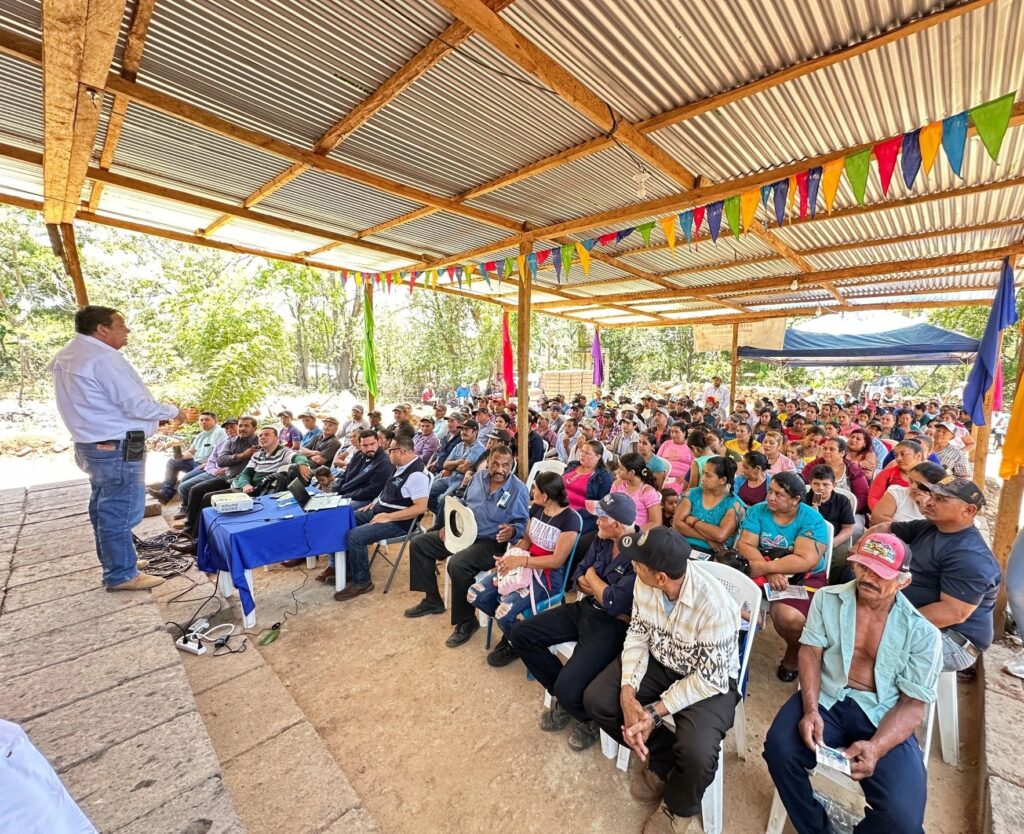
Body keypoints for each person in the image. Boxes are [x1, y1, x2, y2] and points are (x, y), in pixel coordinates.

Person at [763, 533, 941, 834]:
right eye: (863, 567)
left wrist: (877, 747)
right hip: (828, 697)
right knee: (780, 749)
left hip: (883, 714)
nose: (868, 578)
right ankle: (816, 828)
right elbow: (810, 652)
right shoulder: (827, 598)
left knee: (903, 819)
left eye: (880, 573)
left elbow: (912, 705)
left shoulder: (923, 634)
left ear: (903, 581)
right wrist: (811, 710)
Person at [583, 528, 740, 834]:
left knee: (697, 751)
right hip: (662, 658)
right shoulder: (646, 584)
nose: (632, 567)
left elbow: (710, 678)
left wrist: (654, 713)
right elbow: (638, 633)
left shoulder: (716, 606)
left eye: (638, 564)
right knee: (598, 700)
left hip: (708, 679)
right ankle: (663, 757)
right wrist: (628, 693)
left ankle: (679, 807)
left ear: (661, 578)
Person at [49, 305, 185, 591]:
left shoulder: (69, 355)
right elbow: (135, 404)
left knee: (104, 507)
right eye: (121, 325)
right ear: (102, 329)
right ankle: (121, 574)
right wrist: (174, 412)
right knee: (120, 510)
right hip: (116, 447)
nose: (127, 330)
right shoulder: (102, 358)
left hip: (93, 444)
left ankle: (121, 561)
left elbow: (106, 405)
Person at [511, 493, 638, 750]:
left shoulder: (639, 552)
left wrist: (592, 579)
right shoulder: (602, 537)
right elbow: (579, 574)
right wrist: (596, 585)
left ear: (617, 525)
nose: (596, 521)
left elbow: (614, 603)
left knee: (568, 687)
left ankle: (587, 718)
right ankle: (569, 699)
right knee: (521, 634)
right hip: (585, 607)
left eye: (601, 518)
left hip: (613, 625)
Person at [869, 477, 1001, 671]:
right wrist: (861, 548)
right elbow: (884, 528)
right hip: (915, 618)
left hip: (950, 638)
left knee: (864, 648)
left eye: (941, 499)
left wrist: (888, 624)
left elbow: (953, 613)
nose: (929, 502)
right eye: (932, 495)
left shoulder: (970, 555)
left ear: (968, 510)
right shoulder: (931, 527)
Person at [405, 445, 530, 648]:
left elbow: (523, 523)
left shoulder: (518, 489)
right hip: (462, 533)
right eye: (495, 464)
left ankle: (466, 621)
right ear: (488, 462)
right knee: (419, 544)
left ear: (512, 465)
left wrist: (513, 531)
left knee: (457, 564)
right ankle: (432, 600)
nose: (500, 469)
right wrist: (449, 525)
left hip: (491, 542)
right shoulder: (478, 477)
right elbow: (461, 503)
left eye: (506, 465)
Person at [469, 471, 582, 667]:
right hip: (524, 567)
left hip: (547, 577)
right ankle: (516, 632)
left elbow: (556, 561)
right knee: (475, 594)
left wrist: (520, 562)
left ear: (546, 496)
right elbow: (526, 542)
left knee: (504, 611)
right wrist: (508, 558)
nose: (532, 491)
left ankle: (515, 641)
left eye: (535, 489)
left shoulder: (569, 520)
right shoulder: (537, 509)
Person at [736, 471, 830, 682]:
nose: (770, 497)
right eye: (770, 491)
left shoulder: (812, 519)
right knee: (726, 595)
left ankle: (793, 656)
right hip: (761, 567)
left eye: (779, 494)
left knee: (788, 616)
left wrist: (766, 568)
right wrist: (770, 571)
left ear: (796, 500)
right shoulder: (758, 511)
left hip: (804, 576)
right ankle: (730, 649)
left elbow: (806, 560)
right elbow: (746, 544)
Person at [333, 433, 430, 601]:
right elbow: (389, 489)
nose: (387, 452)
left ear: (401, 451)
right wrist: (376, 502)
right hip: (382, 510)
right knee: (343, 521)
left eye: (390, 450)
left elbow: (420, 508)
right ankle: (349, 569)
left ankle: (362, 582)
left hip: (399, 522)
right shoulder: (402, 466)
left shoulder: (416, 475)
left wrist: (389, 517)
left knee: (355, 536)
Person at [673, 456, 743, 557]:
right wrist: (707, 539)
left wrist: (692, 520)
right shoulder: (692, 494)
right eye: (703, 473)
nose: (703, 478)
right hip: (680, 544)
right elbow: (677, 525)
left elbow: (720, 536)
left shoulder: (733, 504)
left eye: (708, 475)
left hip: (712, 554)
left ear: (723, 480)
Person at [149, 411, 225, 503]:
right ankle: (165, 494)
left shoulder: (220, 433)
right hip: (196, 463)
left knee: (185, 480)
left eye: (207, 420)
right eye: (201, 420)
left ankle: (186, 505)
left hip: (207, 465)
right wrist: (179, 456)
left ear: (215, 421)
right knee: (172, 462)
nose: (203, 422)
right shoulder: (201, 435)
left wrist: (208, 463)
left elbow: (221, 453)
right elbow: (191, 452)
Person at [804, 464, 856, 583]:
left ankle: (830, 583)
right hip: (808, 536)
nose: (820, 488)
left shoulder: (842, 501)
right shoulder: (805, 499)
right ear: (810, 483)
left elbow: (848, 528)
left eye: (826, 484)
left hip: (835, 538)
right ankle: (809, 581)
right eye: (816, 484)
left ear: (834, 485)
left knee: (840, 559)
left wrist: (834, 542)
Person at [176, 417, 238, 513]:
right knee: (183, 483)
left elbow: (241, 463)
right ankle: (187, 508)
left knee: (188, 487)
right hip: (213, 471)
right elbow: (211, 460)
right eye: (227, 428)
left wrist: (225, 470)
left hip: (227, 474)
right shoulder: (222, 442)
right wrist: (214, 470)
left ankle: (190, 511)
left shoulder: (242, 443)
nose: (229, 430)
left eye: (232, 427)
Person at [426, 419, 486, 514]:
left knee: (443, 499)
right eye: (462, 430)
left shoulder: (478, 448)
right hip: (451, 476)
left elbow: (463, 469)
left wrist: (452, 465)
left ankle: (442, 519)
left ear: (475, 432)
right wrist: (460, 461)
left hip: (462, 480)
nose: (463, 432)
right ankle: (443, 517)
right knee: (426, 492)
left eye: (466, 430)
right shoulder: (459, 445)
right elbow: (445, 465)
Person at [801, 436, 869, 516]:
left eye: (831, 449)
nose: (827, 451)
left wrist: (844, 512)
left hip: (848, 512)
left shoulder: (853, 470)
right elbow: (802, 487)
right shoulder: (812, 466)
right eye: (825, 448)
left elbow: (862, 497)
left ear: (842, 453)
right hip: (815, 510)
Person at [563, 440, 614, 546]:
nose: (582, 455)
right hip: (560, 506)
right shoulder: (573, 465)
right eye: (582, 451)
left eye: (587, 453)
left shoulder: (603, 477)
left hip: (582, 515)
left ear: (598, 456)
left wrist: (571, 513)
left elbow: (601, 506)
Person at [870, 461, 944, 527]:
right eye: (911, 481)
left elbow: (940, 529)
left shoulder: (943, 503)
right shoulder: (897, 492)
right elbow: (876, 519)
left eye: (919, 484)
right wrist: (909, 531)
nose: (913, 487)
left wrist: (924, 508)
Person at [866, 440, 925, 510]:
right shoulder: (887, 474)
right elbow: (873, 498)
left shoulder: (930, 476)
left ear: (918, 456)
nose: (898, 458)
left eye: (903, 454)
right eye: (896, 455)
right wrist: (883, 514)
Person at [610, 453, 662, 530]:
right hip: (616, 528)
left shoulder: (647, 492)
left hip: (636, 532)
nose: (617, 471)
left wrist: (633, 532)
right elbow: (609, 506)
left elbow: (656, 522)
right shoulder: (618, 484)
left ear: (631, 473)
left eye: (621, 469)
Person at [657, 422, 693, 494]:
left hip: (680, 479)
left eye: (676, 432)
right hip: (663, 476)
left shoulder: (690, 447)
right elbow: (657, 460)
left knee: (671, 494)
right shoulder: (666, 444)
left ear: (684, 433)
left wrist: (686, 476)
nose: (673, 434)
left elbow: (695, 465)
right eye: (672, 432)